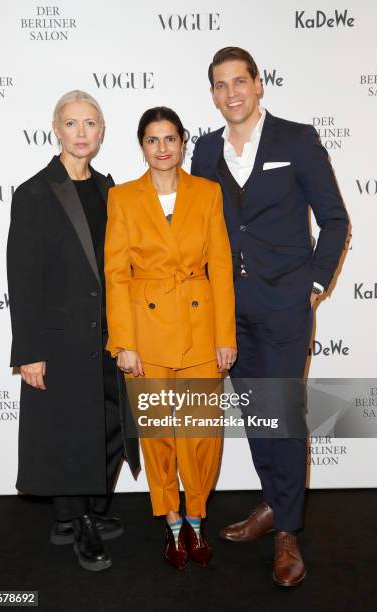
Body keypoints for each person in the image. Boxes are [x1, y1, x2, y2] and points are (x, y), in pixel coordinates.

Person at [191, 47, 349, 586]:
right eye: (220, 84)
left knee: (282, 412)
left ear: (258, 85)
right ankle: (272, 504)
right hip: (228, 310)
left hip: (284, 304)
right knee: (257, 413)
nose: (231, 92)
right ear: (212, 93)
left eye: (240, 81)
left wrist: (312, 283)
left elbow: (333, 218)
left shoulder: (296, 139)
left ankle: (287, 531)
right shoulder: (205, 150)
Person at [6, 90, 139, 572]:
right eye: (71, 123)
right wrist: (30, 351)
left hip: (109, 336)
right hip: (60, 340)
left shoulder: (112, 190)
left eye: (90, 123)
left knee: (108, 427)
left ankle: (79, 513)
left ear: (102, 133)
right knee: (67, 433)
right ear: (56, 130)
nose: (81, 133)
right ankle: (78, 521)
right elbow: (21, 279)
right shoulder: (35, 192)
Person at [105, 106, 236, 569]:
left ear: (183, 142)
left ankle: (197, 519)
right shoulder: (122, 198)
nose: (162, 148)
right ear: (142, 146)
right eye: (152, 140)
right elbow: (116, 275)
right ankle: (173, 522)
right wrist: (124, 343)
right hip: (147, 332)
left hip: (201, 329)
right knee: (159, 434)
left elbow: (220, 266)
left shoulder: (208, 192)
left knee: (201, 434)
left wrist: (225, 336)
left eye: (170, 139)